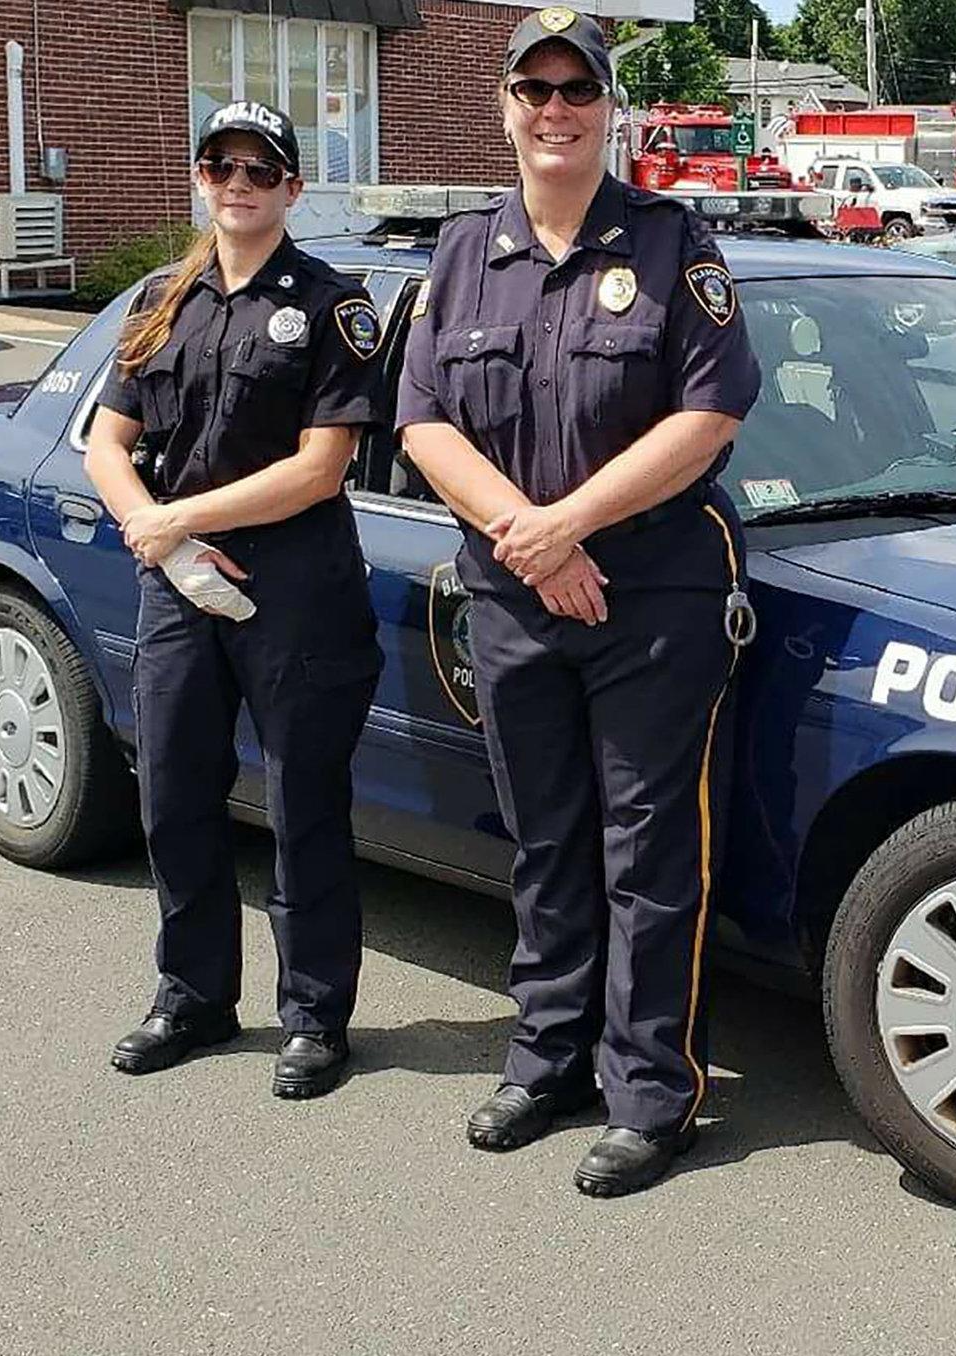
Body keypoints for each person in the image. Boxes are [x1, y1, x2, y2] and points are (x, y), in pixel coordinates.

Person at [396, 6, 761, 1198]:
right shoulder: (458, 254)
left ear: (610, 109)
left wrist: (570, 524)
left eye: (575, 90)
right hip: (512, 594)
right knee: (543, 837)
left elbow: (706, 417)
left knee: (646, 851)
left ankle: (652, 1093)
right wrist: (530, 537)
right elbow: (420, 422)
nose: (553, 111)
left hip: (650, 593)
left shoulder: (671, 243)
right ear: (503, 107)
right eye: (532, 90)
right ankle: (545, 1058)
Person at [86, 100, 385, 1101]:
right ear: (200, 179)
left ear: (292, 187)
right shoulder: (159, 303)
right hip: (176, 585)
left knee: (304, 803)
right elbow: (107, 443)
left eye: (260, 168)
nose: (238, 182)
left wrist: (181, 518)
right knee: (170, 791)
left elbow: (320, 466)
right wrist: (155, 530)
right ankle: (193, 996)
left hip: (295, 585)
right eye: (220, 164)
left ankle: (314, 1016)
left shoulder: (333, 304)